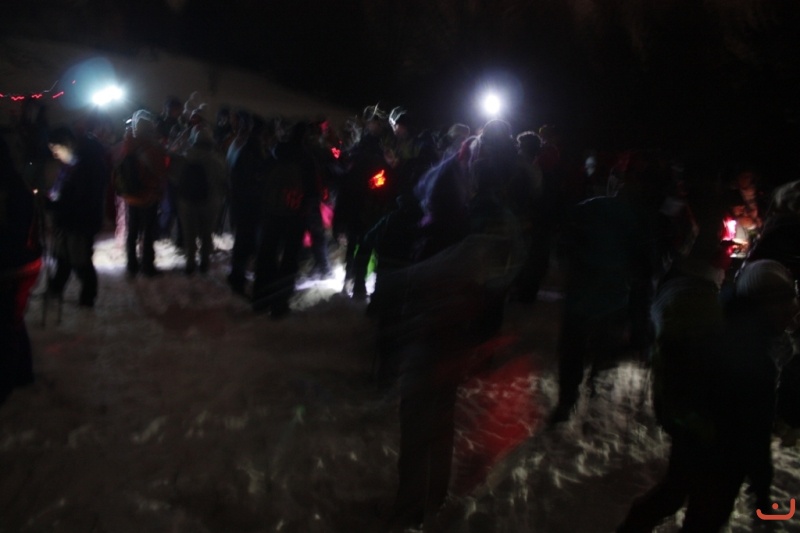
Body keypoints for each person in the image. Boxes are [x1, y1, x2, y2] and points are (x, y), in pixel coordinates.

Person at [616, 259, 799, 532]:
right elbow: (755, 433)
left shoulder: (721, 322)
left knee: (671, 494)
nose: (790, 318)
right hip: (723, 460)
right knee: (702, 521)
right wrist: (762, 487)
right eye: (785, 309)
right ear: (765, 306)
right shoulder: (756, 359)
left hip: (692, 439)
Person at [251, 121, 318, 318]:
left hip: (272, 213)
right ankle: (279, 304)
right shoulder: (307, 159)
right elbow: (312, 191)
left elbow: (261, 179)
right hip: (295, 217)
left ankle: (260, 299)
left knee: (267, 255)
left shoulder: (276, 152)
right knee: (289, 259)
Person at [45, 126, 109, 307]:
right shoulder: (72, 163)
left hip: (81, 221)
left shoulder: (88, 164)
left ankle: (88, 296)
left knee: (80, 260)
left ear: (67, 143)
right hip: (68, 220)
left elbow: (81, 198)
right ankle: (56, 288)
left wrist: (56, 204)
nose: (55, 154)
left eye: (56, 149)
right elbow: (63, 191)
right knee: (63, 257)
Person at [0, 136, 42, 403]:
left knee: (6, 325)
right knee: (11, 321)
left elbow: (13, 233)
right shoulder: (15, 184)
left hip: (13, 265)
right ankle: (21, 374)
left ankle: (6, 383)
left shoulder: (10, 189)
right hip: (21, 262)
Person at [116, 110, 168, 278]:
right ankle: (147, 265)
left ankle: (131, 264)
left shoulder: (127, 144)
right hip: (148, 195)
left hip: (131, 196)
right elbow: (161, 171)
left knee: (132, 231)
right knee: (148, 231)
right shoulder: (153, 148)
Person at [172, 125, 228, 275]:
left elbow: (175, 177)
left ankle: (190, 263)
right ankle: (204, 263)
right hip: (210, 202)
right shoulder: (217, 160)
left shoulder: (185, 156)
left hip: (187, 201)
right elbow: (223, 179)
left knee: (189, 234)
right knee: (206, 234)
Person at [226, 111, 268, 297]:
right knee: (245, 243)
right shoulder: (253, 151)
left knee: (242, 242)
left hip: (241, 204)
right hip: (249, 206)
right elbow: (252, 180)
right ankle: (237, 280)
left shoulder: (243, 146)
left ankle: (236, 275)